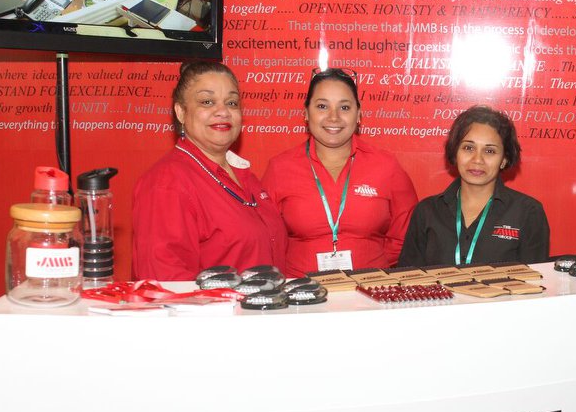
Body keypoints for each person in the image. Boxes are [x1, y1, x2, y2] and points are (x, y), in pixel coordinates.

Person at [132, 61, 287, 280]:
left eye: (232, 103)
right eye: (207, 102)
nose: (223, 112)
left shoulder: (246, 177)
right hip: (216, 304)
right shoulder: (167, 183)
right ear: (181, 112)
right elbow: (165, 282)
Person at [262, 68, 417, 276]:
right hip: (302, 288)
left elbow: (405, 234)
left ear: (359, 114)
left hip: (369, 287)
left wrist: (370, 266)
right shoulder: (280, 168)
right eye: (322, 106)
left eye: (344, 107)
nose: (333, 117)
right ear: (306, 113)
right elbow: (265, 237)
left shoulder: (386, 166)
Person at [398, 105, 550, 267]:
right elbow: (408, 276)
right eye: (468, 148)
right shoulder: (427, 211)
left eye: (489, 151)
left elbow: (535, 278)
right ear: (455, 153)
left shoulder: (528, 212)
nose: (477, 159)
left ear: (504, 160)